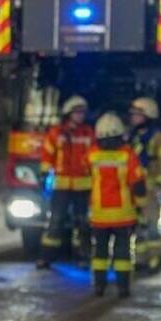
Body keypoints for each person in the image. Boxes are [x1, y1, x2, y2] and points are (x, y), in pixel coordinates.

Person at [88, 112, 147, 298]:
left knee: (100, 253)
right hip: (123, 215)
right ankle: (123, 288)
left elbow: (84, 179)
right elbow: (138, 185)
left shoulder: (91, 155)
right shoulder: (128, 155)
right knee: (122, 254)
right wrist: (141, 207)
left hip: (99, 215)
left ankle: (99, 287)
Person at [38, 95, 95, 269]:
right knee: (55, 221)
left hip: (83, 186)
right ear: (68, 114)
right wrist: (43, 173)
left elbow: (93, 157)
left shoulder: (88, 133)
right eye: (77, 112)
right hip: (61, 185)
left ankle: (84, 256)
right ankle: (47, 257)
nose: (80, 116)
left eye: (82, 113)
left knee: (83, 222)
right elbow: (48, 155)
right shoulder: (56, 133)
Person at [126, 97, 161, 272]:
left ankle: (155, 259)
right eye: (133, 115)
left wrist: (158, 184)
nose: (133, 118)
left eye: (137, 115)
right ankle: (140, 258)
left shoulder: (159, 138)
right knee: (138, 225)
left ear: (149, 116)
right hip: (134, 187)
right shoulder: (132, 136)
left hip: (150, 188)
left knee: (152, 225)